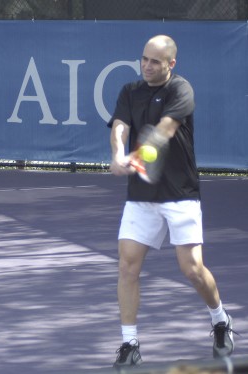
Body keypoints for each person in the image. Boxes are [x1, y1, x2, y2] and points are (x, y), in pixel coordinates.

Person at [108, 35, 235, 368]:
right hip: (142, 197)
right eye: (144, 59)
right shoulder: (129, 91)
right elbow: (120, 125)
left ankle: (220, 319)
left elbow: (164, 130)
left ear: (171, 64)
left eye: (155, 61)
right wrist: (119, 152)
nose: (147, 66)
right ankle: (129, 342)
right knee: (127, 266)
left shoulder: (182, 90)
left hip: (180, 193)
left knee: (191, 269)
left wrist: (136, 156)